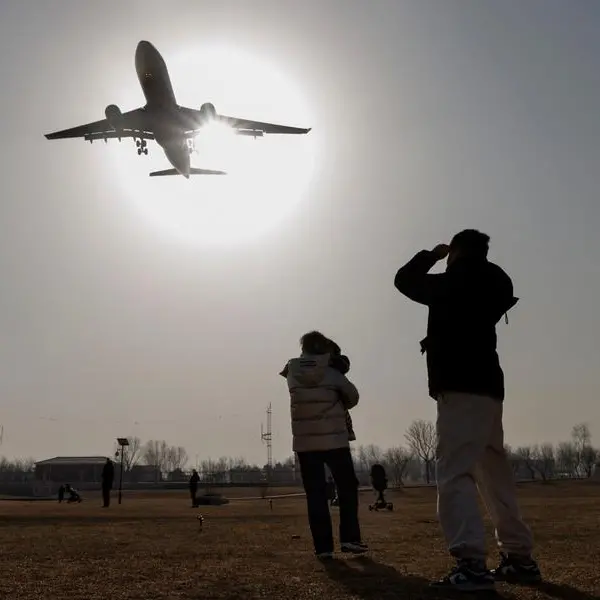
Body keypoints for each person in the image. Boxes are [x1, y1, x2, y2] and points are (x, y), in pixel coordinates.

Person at [394, 229, 541, 592]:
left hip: (458, 385)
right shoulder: (495, 281)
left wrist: (431, 254)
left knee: (454, 473)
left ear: (456, 252)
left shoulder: (451, 283)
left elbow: (404, 280)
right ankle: (519, 557)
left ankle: (471, 563)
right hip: (490, 386)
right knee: (494, 474)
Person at [281, 330, 367, 559]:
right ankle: (349, 538)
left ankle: (323, 548)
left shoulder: (291, 372)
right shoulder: (331, 373)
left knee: (315, 495)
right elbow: (353, 397)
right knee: (347, 487)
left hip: (305, 442)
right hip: (335, 439)